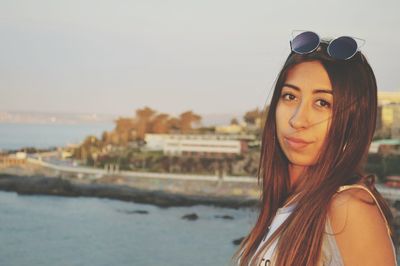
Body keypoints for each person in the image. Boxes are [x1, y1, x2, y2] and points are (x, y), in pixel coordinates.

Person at [231, 30, 398, 266]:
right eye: (290, 97)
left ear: (353, 121)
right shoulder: (290, 205)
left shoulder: (349, 207)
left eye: (323, 103)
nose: (298, 120)